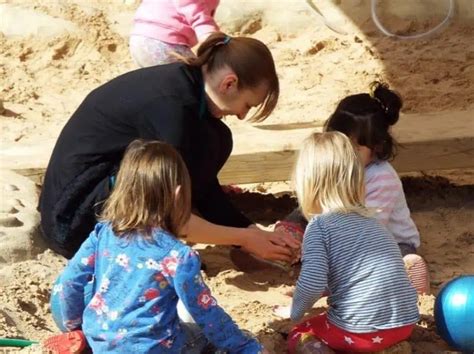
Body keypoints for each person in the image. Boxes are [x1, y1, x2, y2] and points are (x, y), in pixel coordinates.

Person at [39, 32, 299, 262]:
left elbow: (204, 187)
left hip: (99, 189)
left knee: (217, 138)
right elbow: (169, 211)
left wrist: (252, 231)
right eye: (248, 105)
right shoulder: (171, 106)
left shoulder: (189, 90)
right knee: (174, 175)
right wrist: (243, 239)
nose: (243, 116)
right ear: (229, 83)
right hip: (73, 221)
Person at [44, 140, 267, 353]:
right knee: (204, 336)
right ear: (178, 196)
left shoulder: (104, 232)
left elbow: (70, 281)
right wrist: (244, 345)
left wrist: (75, 328)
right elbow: (205, 311)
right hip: (153, 348)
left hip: (102, 340)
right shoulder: (177, 256)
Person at [273, 82, 430, 294]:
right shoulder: (337, 165)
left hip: (383, 241)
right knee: (300, 215)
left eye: (354, 148)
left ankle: (405, 275)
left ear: (377, 147)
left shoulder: (381, 178)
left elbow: (366, 233)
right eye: (339, 146)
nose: (344, 155)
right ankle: (278, 252)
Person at [284, 131, 419, 353]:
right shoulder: (374, 222)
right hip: (404, 325)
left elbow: (312, 282)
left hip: (359, 332)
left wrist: (295, 311)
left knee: (301, 332)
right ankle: (390, 348)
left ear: (307, 184)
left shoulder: (319, 227)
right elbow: (355, 274)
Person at [130, 0, 220, 67]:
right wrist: (210, 35)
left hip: (140, 38)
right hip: (162, 42)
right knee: (196, 79)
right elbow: (193, 9)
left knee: (164, 86)